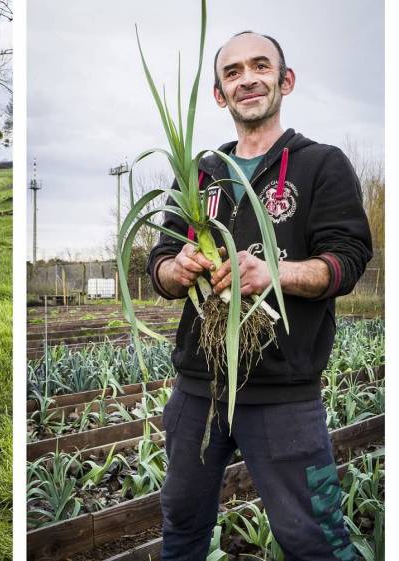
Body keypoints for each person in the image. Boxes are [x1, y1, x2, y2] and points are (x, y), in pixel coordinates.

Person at [147, 31, 372, 561]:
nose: (247, 78)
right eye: (233, 72)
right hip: (197, 391)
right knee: (181, 527)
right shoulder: (200, 174)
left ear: (284, 80)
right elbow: (157, 267)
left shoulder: (322, 164)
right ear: (220, 94)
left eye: (260, 66)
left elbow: (347, 261)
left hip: (283, 394)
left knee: (312, 538)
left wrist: (275, 273)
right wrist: (176, 269)